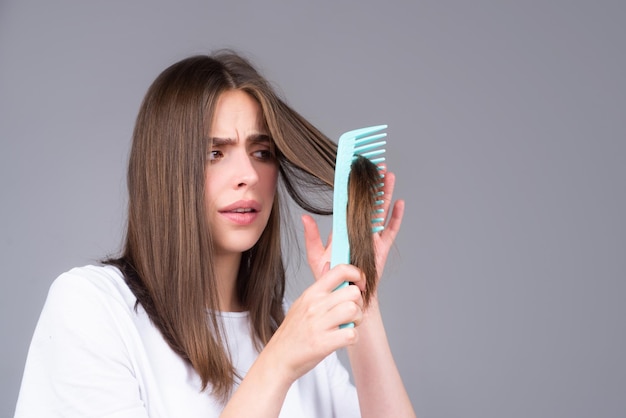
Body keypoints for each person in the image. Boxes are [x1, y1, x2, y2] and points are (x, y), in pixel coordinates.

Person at [15, 50, 416, 417]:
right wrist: (277, 363)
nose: (248, 176)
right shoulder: (93, 309)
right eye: (215, 153)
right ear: (166, 173)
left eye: (262, 152)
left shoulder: (289, 328)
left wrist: (363, 303)